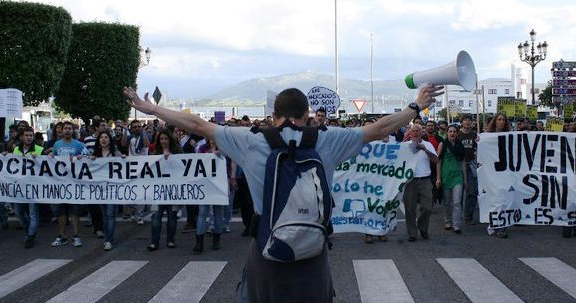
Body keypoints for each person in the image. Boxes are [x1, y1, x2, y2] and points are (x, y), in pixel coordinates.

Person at [123, 83, 442, 303]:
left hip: (266, 248)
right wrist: (416, 105)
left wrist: (147, 107)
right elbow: (381, 128)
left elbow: (195, 124)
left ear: (274, 116)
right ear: (307, 115)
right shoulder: (327, 139)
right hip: (314, 250)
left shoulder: (250, 140)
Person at [48, 122, 87, 247]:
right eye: (65, 128)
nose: (67, 131)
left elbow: (88, 156)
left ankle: (76, 236)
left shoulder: (79, 145)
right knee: (61, 212)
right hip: (60, 184)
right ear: (62, 130)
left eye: (70, 128)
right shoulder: (57, 144)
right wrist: (50, 155)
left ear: (73, 131)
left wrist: (82, 156)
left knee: (74, 212)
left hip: (74, 183)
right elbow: (53, 157)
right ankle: (62, 236)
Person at [193, 138, 229, 254]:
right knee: (202, 211)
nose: (213, 139)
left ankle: (216, 239)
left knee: (218, 211)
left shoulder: (225, 149)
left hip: (220, 182)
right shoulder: (202, 149)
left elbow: (231, 162)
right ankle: (199, 242)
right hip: (205, 182)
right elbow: (196, 163)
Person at [404, 124, 438, 242]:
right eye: (413, 131)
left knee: (427, 207)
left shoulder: (427, 145)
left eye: (418, 131)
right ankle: (412, 233)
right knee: (409, 208)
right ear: (410, 133)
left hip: (425, 180)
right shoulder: (405, 146)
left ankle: (422, 227)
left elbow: (436, 160)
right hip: (410, 181)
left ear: (422, 133)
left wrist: (425, 149)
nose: (415, 133)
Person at [148, 130, 181, 251]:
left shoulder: (178, 152)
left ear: (170, 140)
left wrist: (172, 159)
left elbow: (183, 167)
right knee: (156, 217)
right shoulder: (154, 153)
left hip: (173, 190)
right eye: (161, 139)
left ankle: (171, 240)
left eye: (166, 139)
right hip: (158, 190)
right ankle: (154, 241)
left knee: (172, 217)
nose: (164, 141)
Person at [90, 130, 123, 251]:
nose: (103, 139)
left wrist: (123, 158)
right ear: (99, 141)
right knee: (104, 215)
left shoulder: (115, 154)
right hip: (100, 190)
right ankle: (108, 238)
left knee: (110, 214)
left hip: (112, 189)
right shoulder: (95, 154)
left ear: (110, 140)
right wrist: (90, 159)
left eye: (106, 137)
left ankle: (109, 240)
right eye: (101, 137)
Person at [12, 127, 43, 248]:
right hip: (19, 187)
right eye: (27, 135)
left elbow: (48, 166)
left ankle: (30, 236)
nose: (29, 137)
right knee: (19, 213)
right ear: (21, 137)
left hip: (33, 187)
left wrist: (40, 158)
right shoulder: (16, 150)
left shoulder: (39, 150)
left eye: (31, 135)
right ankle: (28, 231)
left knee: (33, 213)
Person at [436, 125, 467, 234]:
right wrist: (438, 178)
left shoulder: (460, 145)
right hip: (446, 177)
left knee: (457, 202)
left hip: (457, 177)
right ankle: (447, 221)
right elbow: (438, 162)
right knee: (447, 202)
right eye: (450, 131)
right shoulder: (442, 144)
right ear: (447, 133)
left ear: (457, 133)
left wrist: (465, 179)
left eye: (454, 131)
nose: (452, 133)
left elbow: (463, 162)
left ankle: (457, 224)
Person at [483, 113, 510, 238]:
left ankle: (501, 225)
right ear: (495, 121)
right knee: (494, 199)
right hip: (492, 172)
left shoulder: (510, 136)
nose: (501, 121)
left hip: (506, 172)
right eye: (499, 119)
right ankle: (494, 224)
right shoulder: (488, 137)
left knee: (504, 199)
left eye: (503, 120)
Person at [121, 120, 151, 225]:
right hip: (132, 167)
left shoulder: (145, 135)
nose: (137, 128)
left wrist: (143, 132)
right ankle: (133, 211)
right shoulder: (130, 137)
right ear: (132, 129)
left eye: (139, 126)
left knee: (141, 191)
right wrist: (125, 130)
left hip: (143, 167)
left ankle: (140, 215)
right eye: (135, 127)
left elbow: (147, 144)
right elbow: (123, 143)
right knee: (131, 190)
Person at [457, 115, 479, 226]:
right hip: (458, 166)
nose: (467, 122)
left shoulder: (475, 135)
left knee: (471, 192)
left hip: (470, 166)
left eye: (469, 120)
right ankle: (457, 215)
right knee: (458, 193)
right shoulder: (457, 135)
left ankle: (468, 216)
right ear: (461, 122)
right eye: (465, 120)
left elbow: (479, 149)